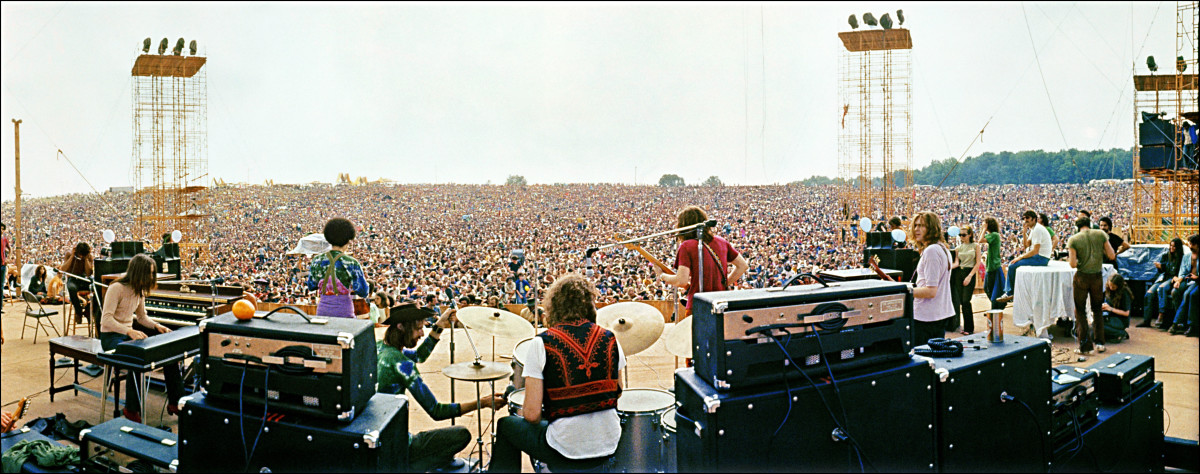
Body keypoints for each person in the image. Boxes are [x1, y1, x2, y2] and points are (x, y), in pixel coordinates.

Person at [489, 273, 625, 473]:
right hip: (609, 442)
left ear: (553, 306)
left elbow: (532, 414)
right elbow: (619, 391)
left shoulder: (542, 343)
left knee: (506, 426)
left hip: (566, 449)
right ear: (589, 304)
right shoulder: (610, 337)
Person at [376, 303, 504, 472]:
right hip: (398, 447)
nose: (422, 334)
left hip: (377, 442)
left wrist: (439, 327)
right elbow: (436, 411)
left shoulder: (380, 347)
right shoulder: (401, 363)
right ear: (400, 327)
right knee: (461, 434)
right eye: (418, 329)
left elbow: (418, 356)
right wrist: (483, 402)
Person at [98, 254, 183, 423]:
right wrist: (129, 331)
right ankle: (131, 409)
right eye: (150, 273)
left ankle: (175, 401)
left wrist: (157, 326)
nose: (152, 277)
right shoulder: (116, 288)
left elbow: (142, 317)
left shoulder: (140, 289)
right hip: (110, 336)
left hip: (126, 333)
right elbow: (106, 320)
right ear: (139, 273)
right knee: (136, 356)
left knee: (167, 349)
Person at [655, 206, 749, 312]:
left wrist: (662, 276)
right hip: (720, 304)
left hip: (698, 306)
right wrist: (724, 283)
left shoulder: (687, 246)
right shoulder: (721, 241)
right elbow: (743, 266)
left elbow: (681, 280)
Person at [1067, 216, 1115, 361]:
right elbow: (1111, 255)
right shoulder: (1101, 234)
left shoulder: (1073, 239)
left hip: (1082, 277)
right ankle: (1100, 343)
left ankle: (1085, 346)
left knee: (1080, 311)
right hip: (1097, 277)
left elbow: (1073, 264)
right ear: (1090, 224)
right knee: (1097, 308)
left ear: (1077, 227)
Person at [306, 217, 369, 318]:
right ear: (348, 240)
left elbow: (311, 285)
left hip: (323, 311)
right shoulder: (351, 263)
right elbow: (363, 291)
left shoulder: (317, 261)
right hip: (344, 311)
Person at [910, 212, 954, 345]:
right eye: (916, 225)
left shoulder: (932, 251)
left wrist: (905, 291)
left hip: (926, 316)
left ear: (932, 228)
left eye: (922, 225)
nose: (917, 229)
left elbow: (931, 291)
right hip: (937, 313)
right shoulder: (943, 248)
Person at [996, 210, 1052, 304]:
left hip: (1041, 258)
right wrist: (1024, 232)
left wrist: (1020, 257)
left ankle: (1010, 292)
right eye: (1024, 218)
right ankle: (1012, 291)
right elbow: (1026, 245)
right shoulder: (1034, 229)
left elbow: (1035, 251)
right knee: (1013, 264)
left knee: (1012, 265)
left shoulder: (1038, 229)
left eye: (1028, 218)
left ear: (1034, 219)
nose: (1025, 220)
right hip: (1039, 256)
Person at [1140, 238, 1184, 327]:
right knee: (1149, 293)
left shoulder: (1181, 258)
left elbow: (1176, 272)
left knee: (1162, 288)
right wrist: (1159, 267)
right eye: (1171, 246)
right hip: (1164, 277)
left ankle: (1161, 314)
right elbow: (1162, 271)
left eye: (1174, 246)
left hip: (1173, 279)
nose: (1172, 248)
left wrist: (1163, 267)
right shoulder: (1166, 255)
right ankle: (1146, 320)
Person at [1167, 234, 1200, 336]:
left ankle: (1179, 323)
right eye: (1190, 244)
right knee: (1175, 291)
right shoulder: (1187, 257)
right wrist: (1178, 281)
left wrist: (1197, 277)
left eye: (1193, 244)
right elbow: (1182, 272)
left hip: (1197, 281)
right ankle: (1182, 322)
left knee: (1187, 294)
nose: (1190, 246)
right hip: (1188, 280)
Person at [948, 225, 978, 335]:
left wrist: (970, 276)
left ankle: (969, 328)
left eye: (964, 235)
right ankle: (966, 327)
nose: (961, 237)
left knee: (966, 301)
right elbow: (957, 263)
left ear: (970, 234)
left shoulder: (975, 246)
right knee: (961, 301)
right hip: (959, 273)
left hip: (969, 272)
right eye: (960, 235)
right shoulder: (958, 248)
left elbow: (977, 263)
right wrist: (948, 267)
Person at [59, 242, 97, 326]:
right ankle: (78, 311)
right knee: (71, 288)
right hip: (73, 278)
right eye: (80, 255)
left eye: (83, 256)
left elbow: (88, 273)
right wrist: (72, 256)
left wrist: (86, 259)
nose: (81, 257)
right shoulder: (69, 254)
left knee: (97, 288)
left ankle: (87, 309)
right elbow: (64, 269)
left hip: (84, 278)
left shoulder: (88, 257)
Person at [978, 217, 1007, 310]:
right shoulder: (994, 235)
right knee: (989, 288)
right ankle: (997, 306)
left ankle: (996, 307)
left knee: (990, 289)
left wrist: (984, 229)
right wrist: (983, 230)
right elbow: (980, 238)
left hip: (993, 266)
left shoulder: (994, 235)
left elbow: (980, 240)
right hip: (991, 266)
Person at [1101, 273, 1132, 342]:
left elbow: (1126, 313)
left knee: (1099, 326)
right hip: (1109, 316)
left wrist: (1110, 309)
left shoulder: (1124, 293)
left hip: (1120, 319)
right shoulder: (1108, 290)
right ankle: (1114, 333)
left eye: (1114, 287)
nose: (1111, 288)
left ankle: (1120, 333)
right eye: (1110, 285)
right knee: (1095, 324)